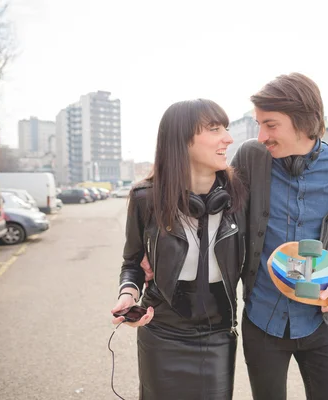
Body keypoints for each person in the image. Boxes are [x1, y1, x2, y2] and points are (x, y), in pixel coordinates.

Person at [230, 73, 328, 399]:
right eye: (258, 124)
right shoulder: (250, 157)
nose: (261, 135)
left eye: (270, 124)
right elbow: (224, 224)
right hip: (261, 319)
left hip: (319, 320)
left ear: (303, 121)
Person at [111, 99, 246, 399]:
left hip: (218, 333)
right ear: (181, 140)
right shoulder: (145, 198)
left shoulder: (238, 197)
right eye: (214, 129)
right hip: (161, 332)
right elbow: (132, 262)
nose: (228, 137)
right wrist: (127, 296)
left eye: (226, 127)